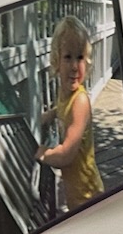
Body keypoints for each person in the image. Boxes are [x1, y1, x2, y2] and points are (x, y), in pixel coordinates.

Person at [37, 14, 103, 212]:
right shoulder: (64, 92)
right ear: (57, 61)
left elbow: (65, 155)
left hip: (89, 195)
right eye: (68, 57)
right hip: (75, 194)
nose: (75, 66)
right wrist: (50, 114)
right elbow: (62, 108)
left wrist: (40, 153)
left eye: (80, 57)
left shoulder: (80, 101)